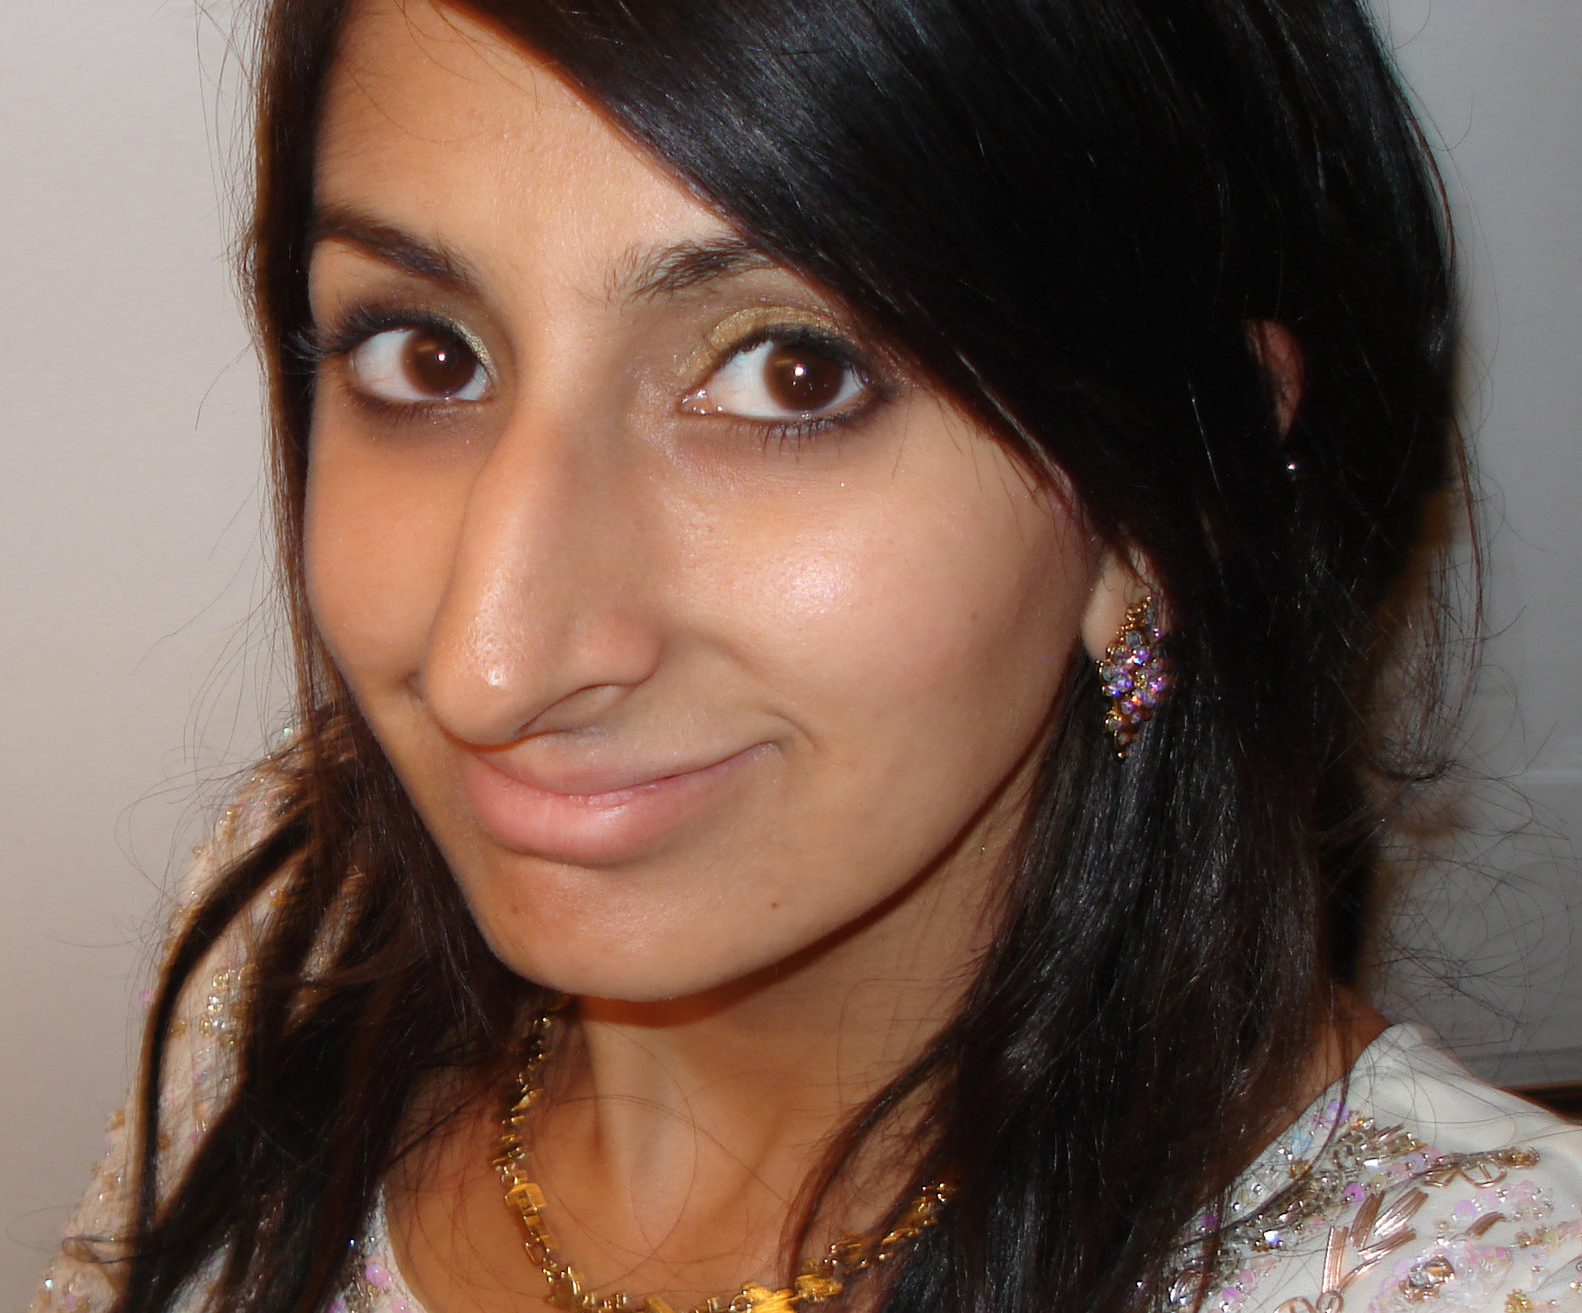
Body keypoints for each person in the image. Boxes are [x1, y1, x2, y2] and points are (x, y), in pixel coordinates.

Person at [31, 0, 1582, 1311]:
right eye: (427, 353)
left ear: (1168, 494)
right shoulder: (300, 918)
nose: (487, 667)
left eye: (789, 372)